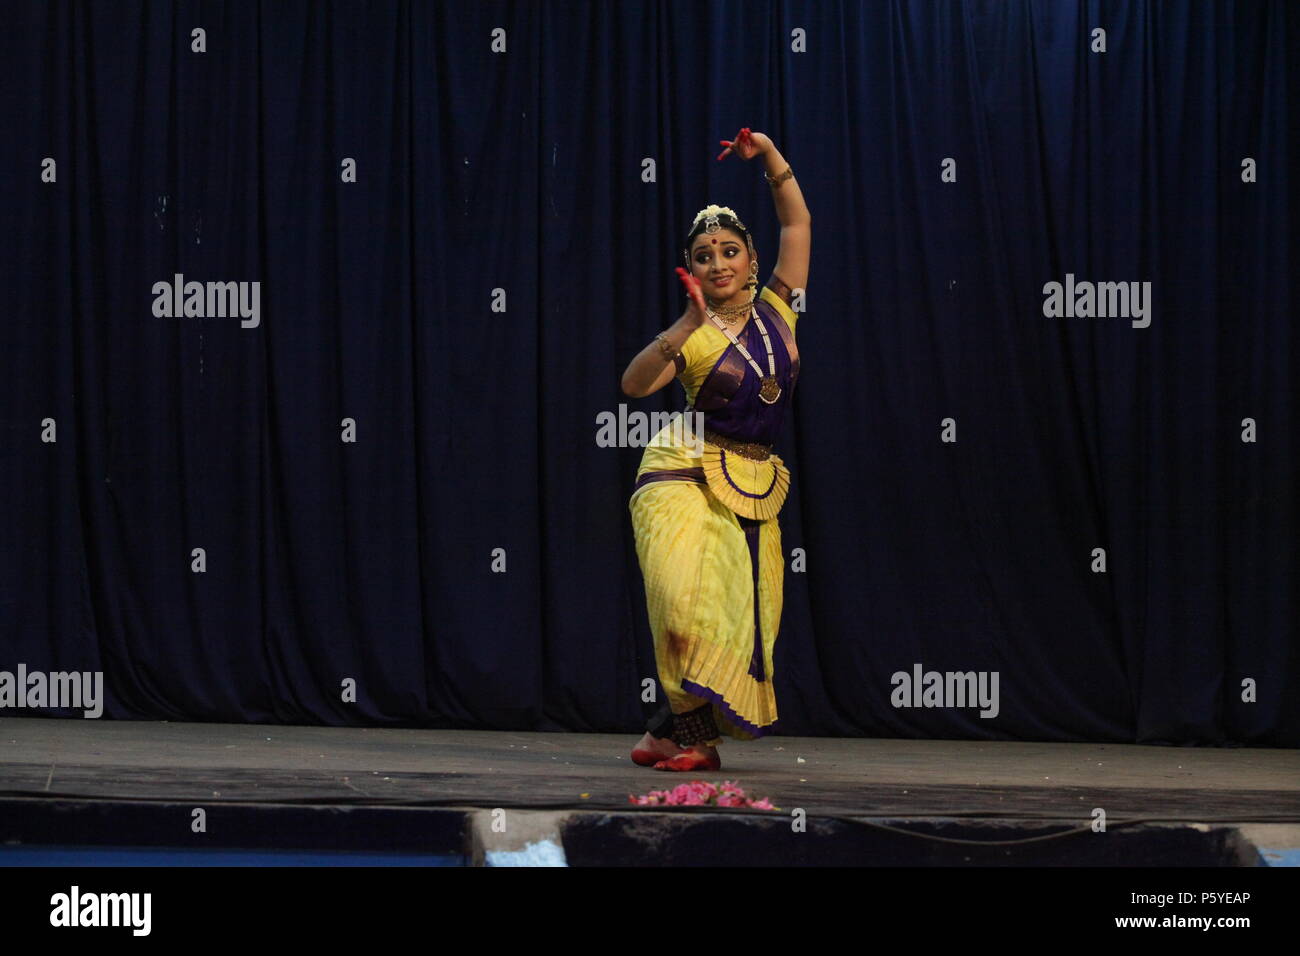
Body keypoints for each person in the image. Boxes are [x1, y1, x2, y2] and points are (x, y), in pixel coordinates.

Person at [620, 128, 811, 771]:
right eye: (705, 255)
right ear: (692, 270)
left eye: (730, 250)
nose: (719, 262)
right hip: (681, 470)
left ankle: (665, 732)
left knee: (735, 618)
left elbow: (798, 221)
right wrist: (685, 323)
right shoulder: (694, 336)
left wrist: (772, 157)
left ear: (751, 260)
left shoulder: (781, 310)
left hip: (752, 482)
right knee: (680, 602)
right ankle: (695, 743)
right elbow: (635, 384)